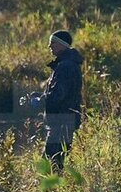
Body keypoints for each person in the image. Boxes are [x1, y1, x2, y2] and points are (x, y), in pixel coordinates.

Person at [26, 30, 83, 170]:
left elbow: (58, 96)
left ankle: (52, 190)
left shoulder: (65, 66)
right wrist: (39, 95)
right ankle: (54, 189)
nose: (49, 46)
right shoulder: (66, 64)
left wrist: (40, 101)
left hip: (62, 121)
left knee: (50, 163)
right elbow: (58, 93)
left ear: (61, 45)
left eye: (52, 43)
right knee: (54, 162)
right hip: (64, 120)